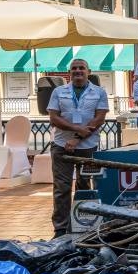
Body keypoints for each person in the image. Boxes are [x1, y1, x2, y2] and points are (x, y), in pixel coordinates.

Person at [47, 58, 108, 237]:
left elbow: (99, 120)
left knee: (85, 186)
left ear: (89, 71)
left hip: (89, 147)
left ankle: (83, 225)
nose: (78, 71)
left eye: (82, 68)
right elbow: (54, 118)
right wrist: (76, 129)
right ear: (69, 73)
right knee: (61, 188)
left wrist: (76, 138)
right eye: (74, 68)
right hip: (60, 146)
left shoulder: (99, 92)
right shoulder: (58, 91)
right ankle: (60, 229)